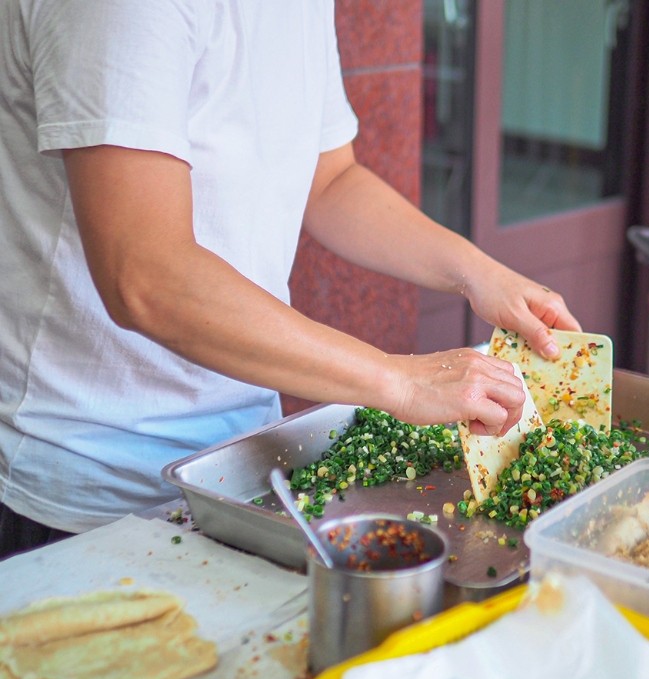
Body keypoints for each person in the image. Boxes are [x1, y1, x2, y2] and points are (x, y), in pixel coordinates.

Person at [0, 1, 581, 558]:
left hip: (240, 462)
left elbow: (331, 181)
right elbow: (146, 276)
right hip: (85, 489)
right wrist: (401, 382)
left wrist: (481, 274)